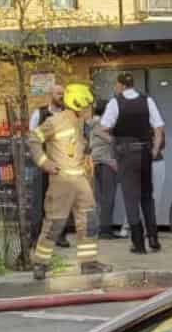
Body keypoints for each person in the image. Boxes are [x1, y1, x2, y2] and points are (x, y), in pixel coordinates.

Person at [29, 83, 112, 280]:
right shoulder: (55, 121)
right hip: (62, 180)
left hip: (80, 179)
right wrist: (44, 163)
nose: (89, 109)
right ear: (78, 104)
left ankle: (88, 263)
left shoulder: (81, 123)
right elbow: (34, 139)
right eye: (86, 106)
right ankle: (40, 264)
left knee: (89, 221)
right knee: (55, 223)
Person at [101, 72, 165, 254]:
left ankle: (138, 243)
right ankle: (153, 239)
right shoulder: (147, 100)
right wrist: (154, 149)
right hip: (145, 150)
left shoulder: (116, 102)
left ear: (120, 85)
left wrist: (115, 142)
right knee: (147, 195)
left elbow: (103, 128)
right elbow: (159, 127)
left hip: (126, 152)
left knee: (130, 197)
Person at [29, 85, 69, 252]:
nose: (61, 96)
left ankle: (59, 235)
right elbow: (32, 137)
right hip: (44, 163)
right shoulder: (39, 113)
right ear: (50, 95)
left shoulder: (68, 114)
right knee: (39, 200)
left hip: (62, 164)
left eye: (63, 94)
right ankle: (36, 236)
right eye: (58, 93)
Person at [89, 100, 118, 240]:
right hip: (106, 164)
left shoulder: (91, 124)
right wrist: (113, 161)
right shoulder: (103, 124)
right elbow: (111, 141)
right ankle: (105, 230)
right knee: (109, 197)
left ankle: (100, 228)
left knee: (99, 198)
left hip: (95, 163)